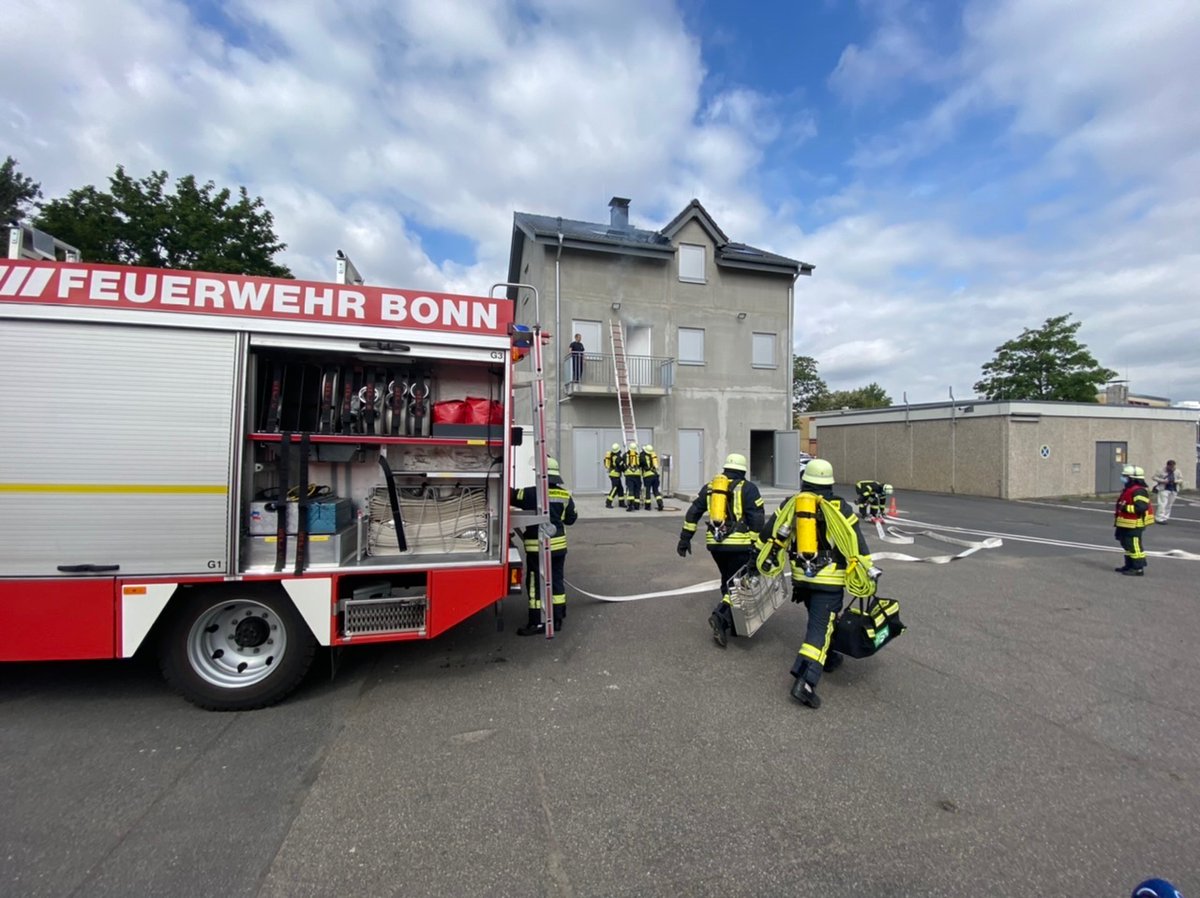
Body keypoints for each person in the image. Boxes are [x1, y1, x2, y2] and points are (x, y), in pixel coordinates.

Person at [760, 458, 874, 709]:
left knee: (821, 621)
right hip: (830, 580)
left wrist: (755, 559)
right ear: (829, 483)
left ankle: (829, 657)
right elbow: (857, 542)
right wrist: (868, 572)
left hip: (802, 577)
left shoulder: (791, 504)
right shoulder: (841, 507)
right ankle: (806, 681)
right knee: (819, 629)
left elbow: (768, 534)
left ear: (805, 481)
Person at [677, 452, 765, 647]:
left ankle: (734, 624)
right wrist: (756, 547)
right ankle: (721, 617)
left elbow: (693, 512)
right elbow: (757, 519)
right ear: (743, 470)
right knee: (740, 584)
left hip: (715, 546)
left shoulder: (710, 487)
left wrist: (685, 539)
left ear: (725, 468)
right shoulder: (748, 488)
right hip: (740, 546)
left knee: (729, 579)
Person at [510, 456, 577, 634]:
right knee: (556, 581)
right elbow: (571, 519)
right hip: (559, 548)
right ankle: (557, 619)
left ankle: (537, 622)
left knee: (535, 584)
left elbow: (511, 496)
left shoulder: (531, 493)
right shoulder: (565, 495)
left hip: (537, 549)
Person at [1114, 464, 1153, 576]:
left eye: (1125, 476)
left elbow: (1141, 507)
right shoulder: (1129, 489)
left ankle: (1138, 568)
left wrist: (1125, 508)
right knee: (1127, 544)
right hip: (1126, 523)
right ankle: (1129, 565)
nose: (1123, 478)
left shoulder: (1139, 491)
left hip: (1135, 524)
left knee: (1134, 546)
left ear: (1132, 478)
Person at [1152, 459, 1184, 524]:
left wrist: (1176, 481)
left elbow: (1181, 479)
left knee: (1169, 504)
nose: (1172, 468)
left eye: (1173, 466)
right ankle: (1159, 518)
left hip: (1174, 489)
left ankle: (1165, 517)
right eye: (1170, 466)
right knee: (1162, 504)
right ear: (1167, 465)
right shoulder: (1161, 470)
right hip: (1164, 489)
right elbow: (1154, 477)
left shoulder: (1177, 471)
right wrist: (1163, 481)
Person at [640, 443, 664, 510]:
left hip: (648, 476)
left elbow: (640, 464)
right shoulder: (653, 455)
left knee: (647, 491)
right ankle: (660, 503)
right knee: (656, 490)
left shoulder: (642, 456)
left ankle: (648, 506)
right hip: (655, 475)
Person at [603, 442, 626, 508]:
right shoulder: (618, 458)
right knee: (615, 488)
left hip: (613, 474)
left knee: (620, 489)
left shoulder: (612, 455)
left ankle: (621, 503)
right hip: (615, 475)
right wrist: (625, 471)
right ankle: (608, 502)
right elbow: (621, 467)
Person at [624, 441, 643, 511]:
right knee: (637, 490)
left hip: (629, 475)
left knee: (630, 490)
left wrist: (625, 470)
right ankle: (637, 505)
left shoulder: (625, 455)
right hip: (637, 475)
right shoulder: (638, 455)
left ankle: (630, 505)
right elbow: (641, 464)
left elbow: (623, 464)